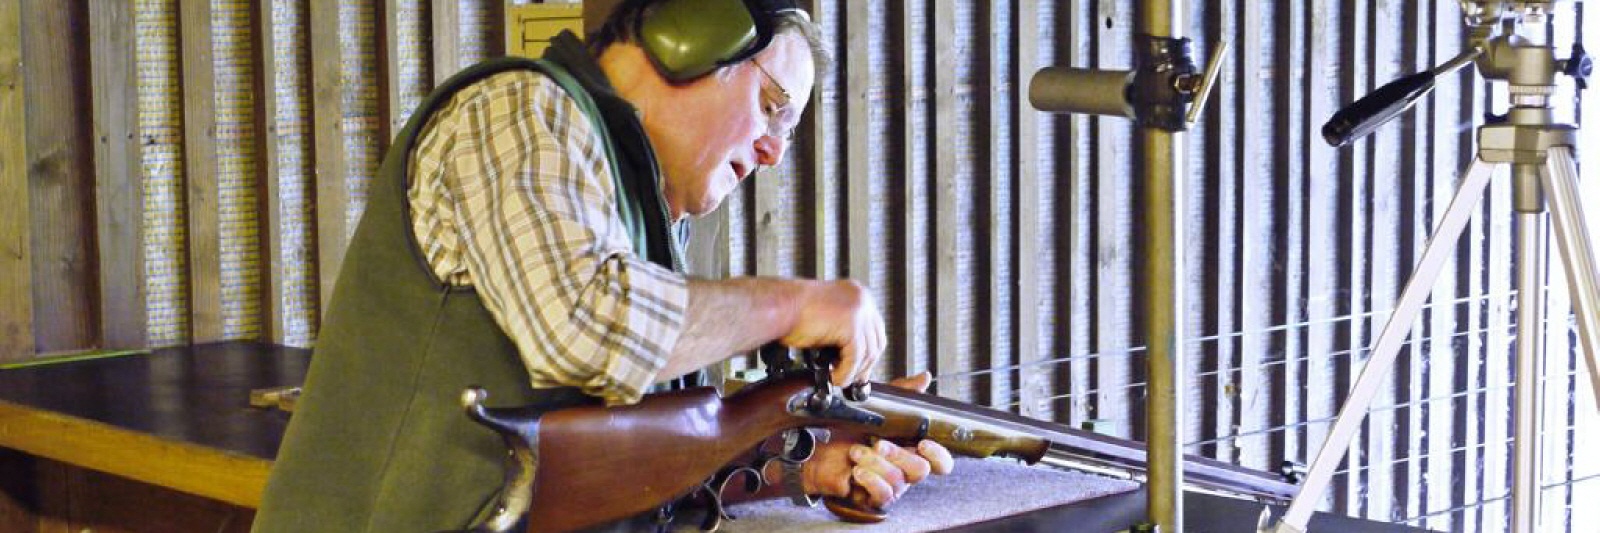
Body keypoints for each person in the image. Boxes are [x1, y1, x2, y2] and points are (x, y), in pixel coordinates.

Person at [252, 0, 952, 531]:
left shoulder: (640, 200)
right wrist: (792, 305)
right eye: (771, 106)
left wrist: (801, 461)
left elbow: (622, 452)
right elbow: (586, 327)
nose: (772, 151)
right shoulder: (516, 111)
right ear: (691, 41)